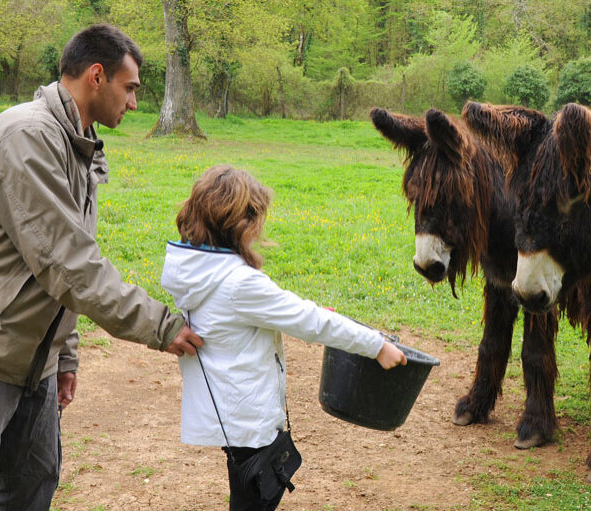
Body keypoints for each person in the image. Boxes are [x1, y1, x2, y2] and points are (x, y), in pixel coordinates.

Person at [0, 24, 203, 511]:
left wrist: (63, 355)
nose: (133, 103)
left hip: (33, 359)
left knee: (30, 488)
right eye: (130, 89)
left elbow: (64, 256)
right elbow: (70, 265)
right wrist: (162, 327)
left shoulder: (78, 142)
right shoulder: (27, 137)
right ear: (96, 76)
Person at [161, 165, 408, 511]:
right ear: (240, 224)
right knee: (255, 499)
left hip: (233, 415)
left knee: (246, 493)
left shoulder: (195, 269)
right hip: (251, 420)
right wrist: (376, 345)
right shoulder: (239, 284)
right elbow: (310, 321)